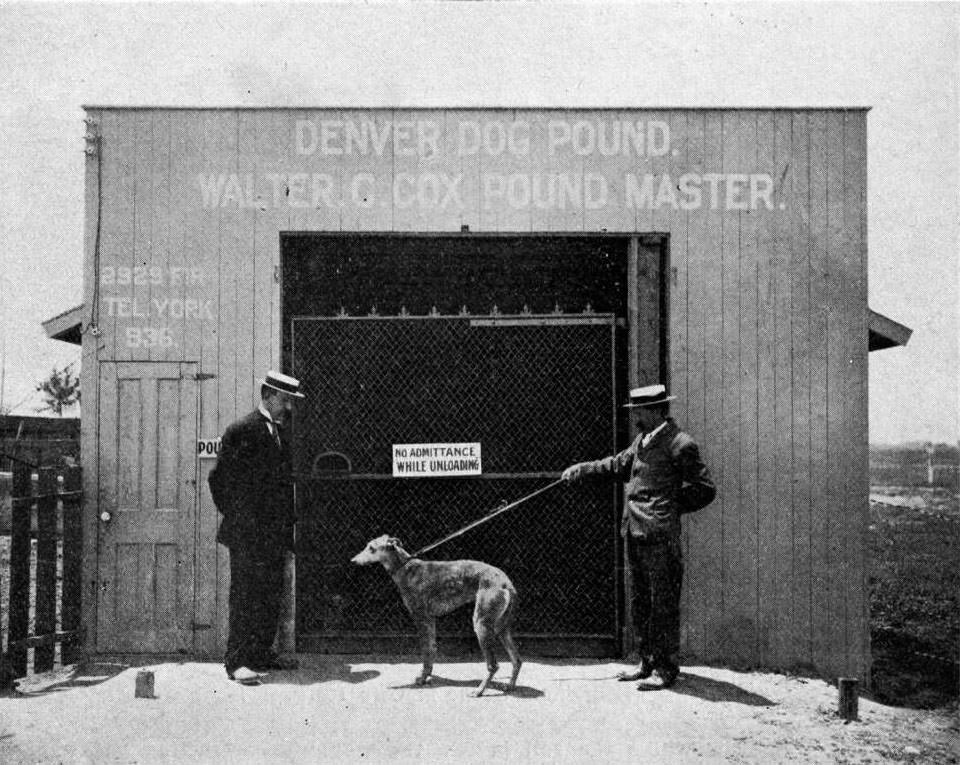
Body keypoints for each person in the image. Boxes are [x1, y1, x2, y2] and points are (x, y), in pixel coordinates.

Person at [562, 384, 715, 689]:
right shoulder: (642, 441)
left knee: (663, 603)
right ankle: (646, 662)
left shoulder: (680, 444)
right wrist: (583, 469)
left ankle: (666, 668)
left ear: (656, 410)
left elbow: (705, 489)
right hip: (634, 532)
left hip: (659, 537)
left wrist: (668, 510)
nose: (634, 416)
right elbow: (618, 464)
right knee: (641, 601)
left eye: (639, 411)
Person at [209, 370, 305, 683]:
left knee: (269, 594)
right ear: (267, 395)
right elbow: (219, 481)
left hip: (274, 535)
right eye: (285, 400)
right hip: (248, 535)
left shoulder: (281, 432)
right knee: (245, 596)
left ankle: (261, 653)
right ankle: (237, 662)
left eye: (291, 401)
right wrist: (242, 520)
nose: (288, 407)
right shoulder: (242, 430)